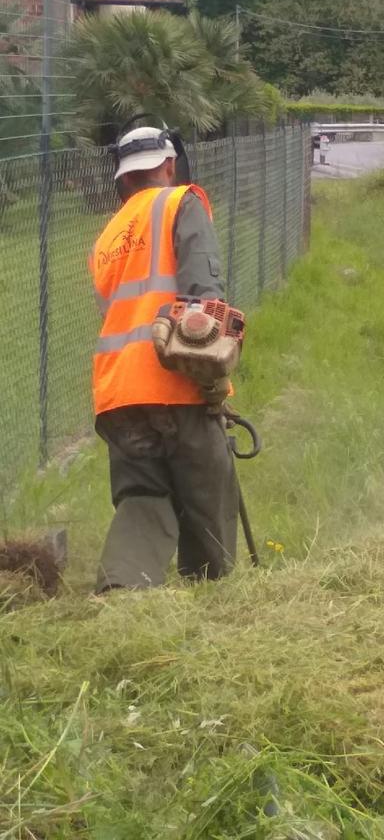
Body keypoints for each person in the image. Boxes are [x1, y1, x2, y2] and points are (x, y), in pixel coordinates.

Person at [89, 125, 240, 593]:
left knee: (142, 496)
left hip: (118, 394)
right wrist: (212, 381)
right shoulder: (181, 202)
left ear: (123, 178)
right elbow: (201, 305)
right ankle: (210, 594)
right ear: (169, 164)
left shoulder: (107, 237)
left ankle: (122, 592)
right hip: (175, 381)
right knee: (207, 493)